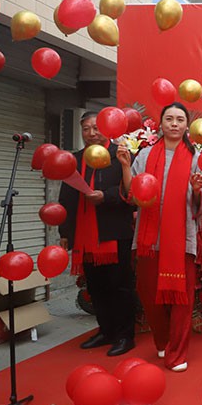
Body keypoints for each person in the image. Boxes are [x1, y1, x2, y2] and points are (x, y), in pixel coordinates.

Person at [116, 102, 202, 372]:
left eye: (180, 119)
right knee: (149, 294)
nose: (174, 124)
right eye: (169, 119)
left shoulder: (197, 158)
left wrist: (196, 190)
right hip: (148, 239)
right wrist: (125, 167)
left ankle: (177, 354)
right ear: (160, 124)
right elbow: (132, 195)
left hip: (183, 240)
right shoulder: (145, 156)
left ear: (187, 125)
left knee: (181, 299)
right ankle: (162, 340)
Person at [59, 111, 136, 357]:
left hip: (115, 232)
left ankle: (125, 335)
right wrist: (65, 231)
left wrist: (106, 196)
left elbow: (131, 192)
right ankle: (106, 331)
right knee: (96, 286)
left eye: (96, 128)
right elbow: (67, 197)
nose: (91, 134)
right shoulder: (75, 159)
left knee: (120, 286)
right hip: (85, 236)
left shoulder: (120, 155)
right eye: (86, 129)